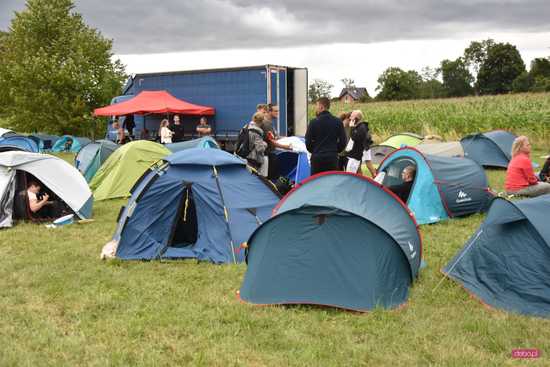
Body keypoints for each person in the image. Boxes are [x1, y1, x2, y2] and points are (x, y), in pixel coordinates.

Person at [305, 97, 347, 175]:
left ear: (321, 107)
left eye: (316, 106)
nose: (316, 108)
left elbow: (308, 143)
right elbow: (343, 142)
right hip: (332, 158)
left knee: (316, 183)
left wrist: (315, 150)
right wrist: (334, 150)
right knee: (331, 183)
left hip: (317, 158)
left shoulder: (313, 122)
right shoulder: (338, 122)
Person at [345, 110, 375, 176]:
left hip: (360, 152)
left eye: (352, 116)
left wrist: (352, 127)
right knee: (359, 169)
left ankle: (375, 176)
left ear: (357, 118)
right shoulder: (360, 126)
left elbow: (354, 137)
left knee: (368, 164)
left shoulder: (361, 127)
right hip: (358, 153)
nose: (350, 118)